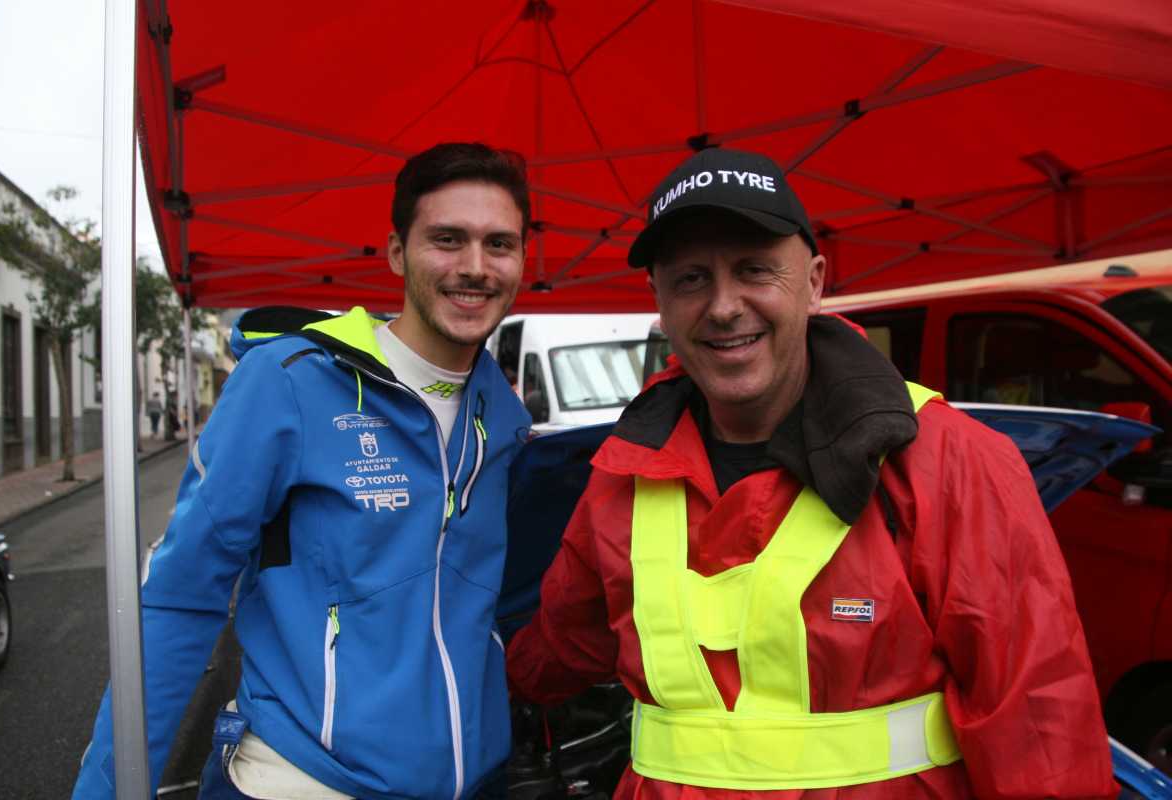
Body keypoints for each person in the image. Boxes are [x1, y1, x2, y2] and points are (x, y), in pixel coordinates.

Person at [506, 148, 1118, 798]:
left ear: (816, 282)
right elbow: (557, 649)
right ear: (658, 300)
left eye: (754, 270)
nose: (723, 306)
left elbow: (1040, 730)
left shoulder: (951, 462)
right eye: (690, 279)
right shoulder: (622, 475)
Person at [74, 142, 533, 799]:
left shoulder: (503, 414)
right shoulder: (289, 381)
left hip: (469, 778)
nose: (475, 267)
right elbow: (183, 594)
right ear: (397, 252)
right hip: (304, 778)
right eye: (447, 239)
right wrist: (108, 789)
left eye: (499, 244)